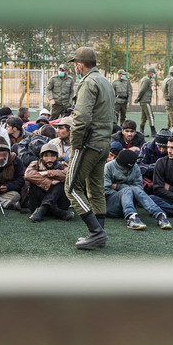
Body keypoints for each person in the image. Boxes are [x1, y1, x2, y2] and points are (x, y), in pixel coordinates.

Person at [64, 46, 114, 250]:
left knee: (71, 188)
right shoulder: (105, 82)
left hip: (88, 144)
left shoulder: (88, 82)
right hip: (103, 143)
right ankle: (98, 234)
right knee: (95, 189)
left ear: (79, 64)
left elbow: (81, 117)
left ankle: (96, 232)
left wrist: (74, 144)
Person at [104, 149, 170, 230]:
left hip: (130, 203)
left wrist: (117, 186)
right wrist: (123, 192)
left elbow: (139, 187)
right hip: (110, 206)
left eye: (129, 168)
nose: (127, 169)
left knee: (135, 189)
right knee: (128, 190)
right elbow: (105, 189)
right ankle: (131, 218)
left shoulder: (135, 168)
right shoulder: (108, 167)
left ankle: (160, 215)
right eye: (124, 167)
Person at [24, 143, 72, 222]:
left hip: (60, 204)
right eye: (46, 156)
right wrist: (49, 182)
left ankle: (43, 209)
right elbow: (27, 175)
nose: (49, 159)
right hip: (37, 205)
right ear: (41, 157)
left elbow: (70, 174)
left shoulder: (63, 165)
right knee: (34, 182)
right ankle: (57, 212)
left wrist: (47, 173)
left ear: (57, 157)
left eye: (52, 156)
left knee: (62, 183)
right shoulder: (35, 164)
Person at [134, 67, 157, 137]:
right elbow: (142, 90)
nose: (154, 75)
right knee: (150, 116)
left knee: (143, 117)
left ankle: (141, 132)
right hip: (145, 101)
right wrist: (138, 98)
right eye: (153, 73)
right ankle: (153, 132)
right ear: (150, 73)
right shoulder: (147, 80)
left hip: (143, 101)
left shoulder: (145, 79)